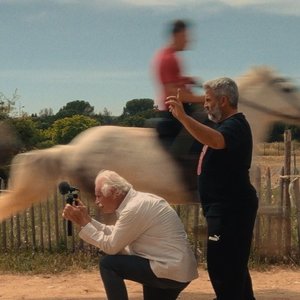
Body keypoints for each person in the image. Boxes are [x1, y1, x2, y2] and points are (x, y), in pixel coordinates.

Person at [166, 77, 258, 300]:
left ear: (223, 100)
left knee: (223, 270)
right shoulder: (226, 125)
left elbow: (217, 141)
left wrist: (184, 118)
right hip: (226, 210)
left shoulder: (235, 125)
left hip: (230, 210)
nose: (205, 105)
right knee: (233, 270)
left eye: (208, 100)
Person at [62, 169, 198, 300]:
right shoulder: (138, 202)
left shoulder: (135, 207)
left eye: (99, 196)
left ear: (114, 192)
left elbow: (111, 246)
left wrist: (84, 223)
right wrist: (88, 220)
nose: (97, 202)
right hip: (173, 269)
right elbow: (116, 234)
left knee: (108, 264)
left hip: (167, 269)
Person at [151, 20, 207, 157]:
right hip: (176, 112)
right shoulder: (168, 58)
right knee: (202, 140)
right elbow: (174, 93)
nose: (188, 40)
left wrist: (190, 80)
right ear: (177, 35)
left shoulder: (168, 55)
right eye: (186, 36)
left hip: (179, 108)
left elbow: (175, 82)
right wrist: (204, 99)